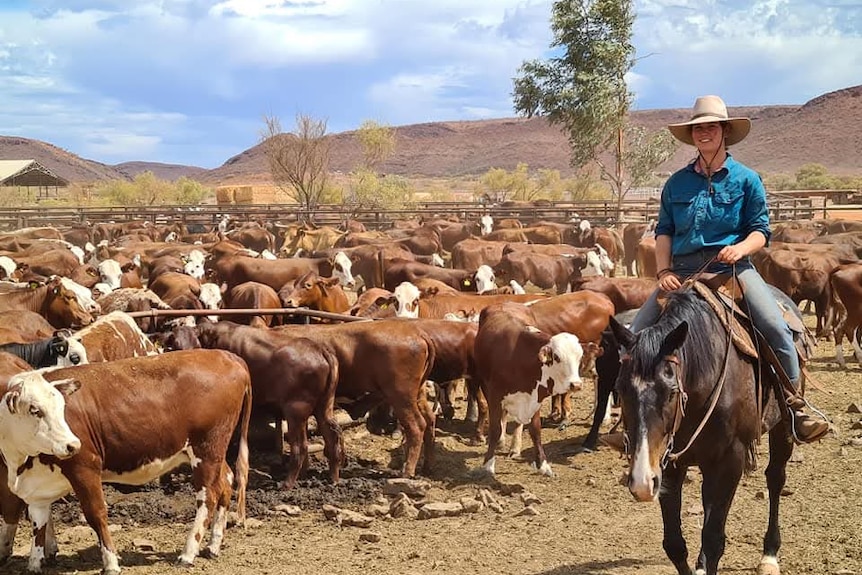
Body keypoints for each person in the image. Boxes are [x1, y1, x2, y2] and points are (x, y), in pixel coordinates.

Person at [629, 94, 829, 443]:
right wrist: (663, 273)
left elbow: (760, 231)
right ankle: (628, 418)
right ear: (692, 135)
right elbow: (664, 231)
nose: (704, 133)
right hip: (682, 273)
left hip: (734, 271)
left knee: (775, 328)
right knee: (635, 335)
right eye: (698, 128)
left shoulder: (747, 179)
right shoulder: (676, 183)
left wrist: (739, 248)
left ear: (724, 131)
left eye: (710, 127)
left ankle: (795, 409)